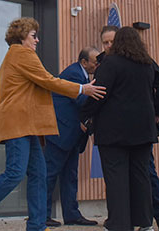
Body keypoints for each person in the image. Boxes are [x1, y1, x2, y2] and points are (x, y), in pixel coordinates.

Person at [0, 18, 106, 231]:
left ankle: (36, 225)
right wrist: (82, 89)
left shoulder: (13, 56)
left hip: (27, 124)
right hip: (19, 123)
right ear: (22, 36)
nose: (37, 40)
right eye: (34, 36)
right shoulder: (22, 54)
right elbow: (48, 80)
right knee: (15, 172)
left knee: (38, 173)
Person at [81, 26, 159, 231]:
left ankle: (119, 224)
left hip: (114, 132)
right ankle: (145, 223)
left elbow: (99, 93)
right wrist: (158, 111)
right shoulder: (146, 64)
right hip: (144, 131)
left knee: (116, 178)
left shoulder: (110, 63)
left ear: (118, 42)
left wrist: (84, 115)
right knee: (141, 177)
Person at [45, 47, 101, 228]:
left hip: (71, 135)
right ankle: (42, 215)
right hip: (61, 134)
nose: (97, 64)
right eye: (94, 61)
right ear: (84, 62)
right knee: (50, 174)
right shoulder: (74, 75)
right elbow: (83, 101)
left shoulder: (82, 74)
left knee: (70, 175)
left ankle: (72, 215)